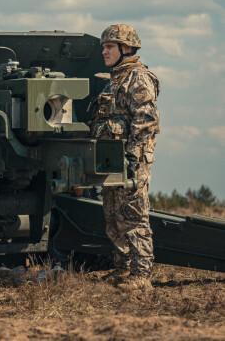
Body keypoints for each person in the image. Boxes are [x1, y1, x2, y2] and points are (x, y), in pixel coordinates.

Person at [88, 24, 160, 292]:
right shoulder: (114, 78)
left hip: (132, 161)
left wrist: (132, 158)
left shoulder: (138, 78)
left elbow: (146, 122)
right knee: (113, 213)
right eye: (104, 46)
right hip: (112, 160)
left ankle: (141, 275)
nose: (104, 51)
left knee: (134, 215)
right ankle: (123, 268)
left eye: (109, 46)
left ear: (126, 48)